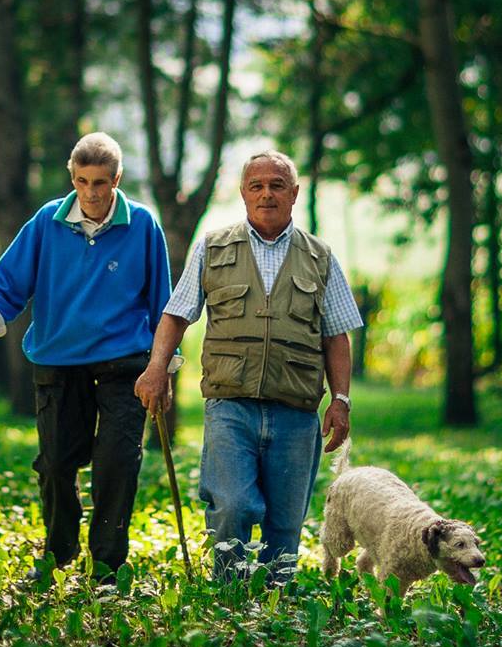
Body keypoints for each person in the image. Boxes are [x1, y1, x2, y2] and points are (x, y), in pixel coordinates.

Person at [134, 150, 360, 582]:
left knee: (285, 521)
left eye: (277, 185)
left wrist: (341, 399)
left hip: (296, 411)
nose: (266, 194)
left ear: (294, 194)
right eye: (256, 185)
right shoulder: (213, 247)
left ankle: (275, 602)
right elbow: (177, 313)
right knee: (233, 505)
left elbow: (336, 334)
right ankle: (229, 592)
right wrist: (156, 367)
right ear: (242, 194)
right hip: (229, 406)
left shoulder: (320, 256)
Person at [0, 133, 172, 581]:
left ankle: (107, 563)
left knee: (118, 463)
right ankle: (59, 552)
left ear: (116, 179)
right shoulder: (46, 222)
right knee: (56, 462)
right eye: (82, 182)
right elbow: (10, 281)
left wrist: (162, 367)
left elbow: (161, 303)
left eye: (100, 182)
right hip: (58, 360)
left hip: (126, 363)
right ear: (71, 177)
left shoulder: (143, 225)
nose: (92, 193)